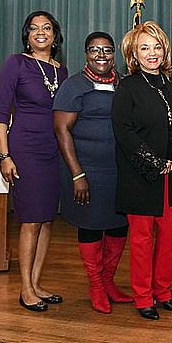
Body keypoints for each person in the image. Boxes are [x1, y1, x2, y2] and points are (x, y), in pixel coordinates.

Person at [112, 21, 172, 320]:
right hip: (140, 176)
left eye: (157, 46)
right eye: (144, 48)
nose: (152, 53)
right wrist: (154, 162)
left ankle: (163, 292)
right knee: (142, 238)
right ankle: (143, 297)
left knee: (170, 234)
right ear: (134, 54)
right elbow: (124, 132)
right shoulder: (128, 87)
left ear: (164, 50)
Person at [0, 11, 68, 312]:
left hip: (54, 151)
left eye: (47, 28)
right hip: (25, 149)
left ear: (55, 35)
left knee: (47, 219)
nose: (41, 32)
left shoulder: (62, 71)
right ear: (27, 35)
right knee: (31, 219)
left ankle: (36, 283)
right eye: (34, 28)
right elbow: (1, 113)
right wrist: (5, 155)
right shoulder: (16, 63)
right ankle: (25, 289)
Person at [53, 32, 133, 314]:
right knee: (91, 225)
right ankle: (96, 285)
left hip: (119, 170)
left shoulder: (123, 83)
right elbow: (61, 130)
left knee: (118, 224)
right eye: (94, 49)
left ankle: (109, 281)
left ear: (114, 54)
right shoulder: (74, 86)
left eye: (107, 50)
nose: (101, 55)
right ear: (86, 53)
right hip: (86, 170)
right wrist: (77, 174)